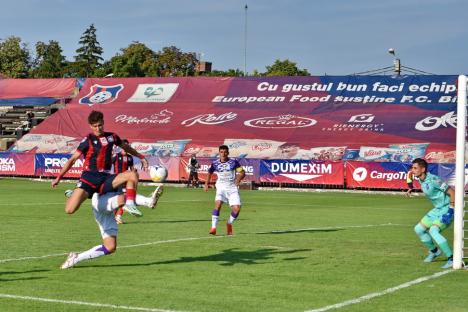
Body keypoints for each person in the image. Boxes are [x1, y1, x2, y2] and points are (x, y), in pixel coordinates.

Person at [51, 110, 148, 217]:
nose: (98, 128)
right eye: (95, 126)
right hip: (89, 179)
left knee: (132, 175)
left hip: (105, 178)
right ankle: (76, 193)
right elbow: (72, 160)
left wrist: (141, 157)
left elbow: (126, 147)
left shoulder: (112, 137)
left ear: (103, 122)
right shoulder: (88, 140)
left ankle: (130, 204)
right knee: (69, 210)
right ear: (90, 126)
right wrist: (59, 177)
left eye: (100, 125)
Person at [60, 189, 158, 269]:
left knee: (110, 247)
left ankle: (76, 258)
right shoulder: (103, 172)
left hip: (110, 204)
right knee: (124, 197)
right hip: (101, 204)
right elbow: (89, 185)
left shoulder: (120, 173)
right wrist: (76, 193)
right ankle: (146, 201)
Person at [410, 158, 455, 269]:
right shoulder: (421, 179)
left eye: (415, 168)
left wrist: (451, 210)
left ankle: (452, 258)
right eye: (412, 168)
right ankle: (434, 251)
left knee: (434, 231)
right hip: (436, 210)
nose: (413, 170)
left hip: (447, 208)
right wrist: (411, 189)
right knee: (418, 229)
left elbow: (452, 193)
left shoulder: (434, 180)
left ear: (423, 169)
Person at [111, 139, 163, 224]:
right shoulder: (116, 156)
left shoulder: (129, 158)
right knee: (122, 198)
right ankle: (149, 202)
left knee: (125, 198)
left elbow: (132, 169)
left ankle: (118, 216)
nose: (125, 148)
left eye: (127, 146)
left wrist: (134, 172)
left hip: (126, 180)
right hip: (117, 179)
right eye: (124, 146)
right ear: (120, 147)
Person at [204, 145, 245, 236]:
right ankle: (213, 228)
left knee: (237, 209)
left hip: (232, 188)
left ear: (228, 153)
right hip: (221, 187)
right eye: (221, 152)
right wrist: (206, 184)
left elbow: (242, 172)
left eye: (225, 152)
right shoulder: (215, 163)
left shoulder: (234, 162)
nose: (223, 154)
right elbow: (210, 172)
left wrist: (238, 180)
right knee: (218, 204)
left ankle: (229, 223)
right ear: (219, 153)